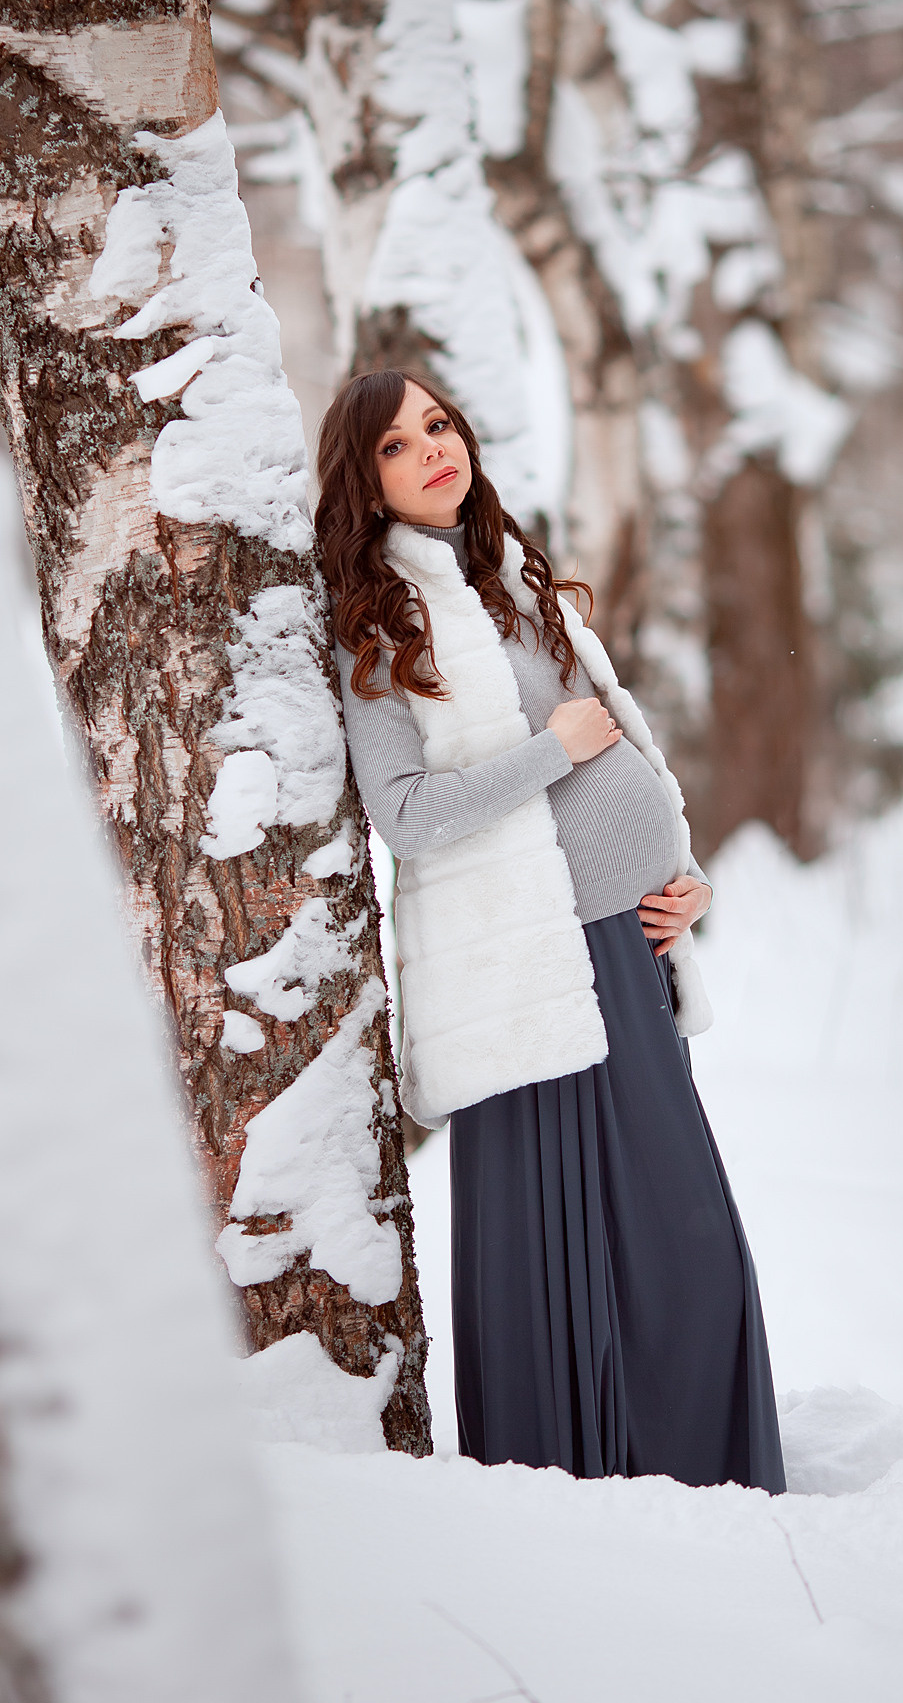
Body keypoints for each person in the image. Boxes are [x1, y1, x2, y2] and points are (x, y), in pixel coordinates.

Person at [315, 367, 786, 1493]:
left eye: (436, 424)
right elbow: (407, 816)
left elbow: (625, 755)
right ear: (364, 485)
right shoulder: (385, 622)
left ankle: (696, 1473)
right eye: (393, 444)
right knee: (571, 1256)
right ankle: (576, 1494)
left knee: (686, 1245)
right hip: (534, 975)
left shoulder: (520, 585)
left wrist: (684, 880)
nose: (429, 447)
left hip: (630, 952)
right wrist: (553, 752)